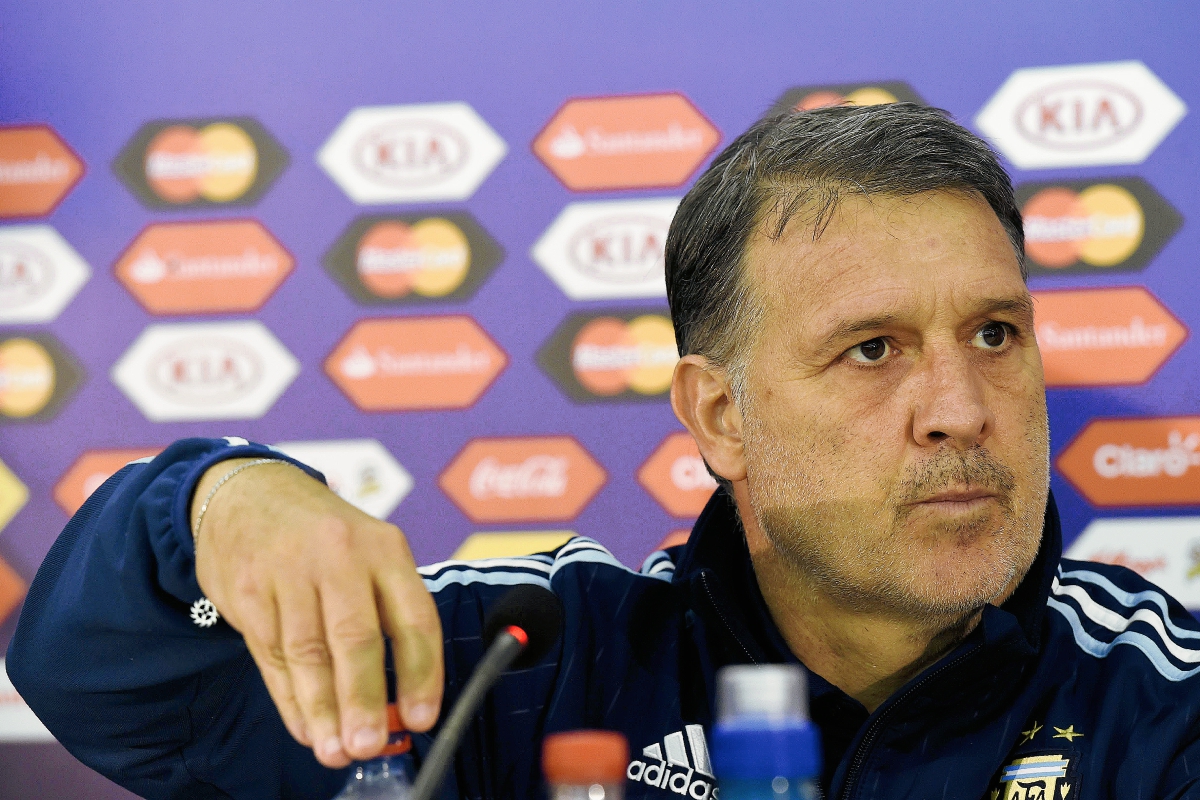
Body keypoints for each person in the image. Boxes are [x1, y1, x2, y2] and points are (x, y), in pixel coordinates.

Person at [9, 103, 1200, 800]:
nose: (962, 406)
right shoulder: (524, 663)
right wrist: (216, 501)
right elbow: (105, 687)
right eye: (874, 349)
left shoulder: (1163, 694)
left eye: (996, 333)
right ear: (719, 416)